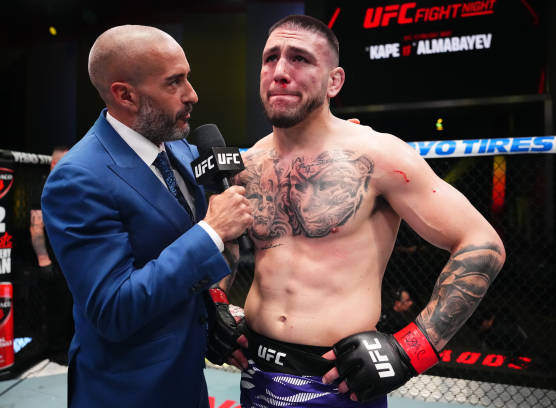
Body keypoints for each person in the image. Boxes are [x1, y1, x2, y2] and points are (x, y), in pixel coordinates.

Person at [207, 15, 505, 407]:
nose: (280, 71)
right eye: (270, 58)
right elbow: (227, 243)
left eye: (299, 58)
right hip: (255, 372)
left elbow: (482, 242)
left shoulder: (379, 155)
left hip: (339, 383)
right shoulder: (249, 164)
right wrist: (217, 302)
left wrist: (413, 348)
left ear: (334, 81)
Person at [40, 25, 252, 407]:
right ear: (126, 95)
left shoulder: (179, 149)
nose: (192, 94)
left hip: (188, 378)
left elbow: (243, 164)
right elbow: (113, 308)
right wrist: (210, 232)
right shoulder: (77, 179)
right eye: (174, 82)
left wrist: (214, 305)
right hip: (128, 391)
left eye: (187, 77)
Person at [29, 145, 73, 364]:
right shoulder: (44, 188)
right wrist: (43, 259)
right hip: (53, 259)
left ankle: (69, 346)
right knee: (58, 305)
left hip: (69, 256)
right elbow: (36, 227)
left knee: (71, 303)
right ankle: (57, 350)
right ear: (54, 164)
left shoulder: (69, 185)